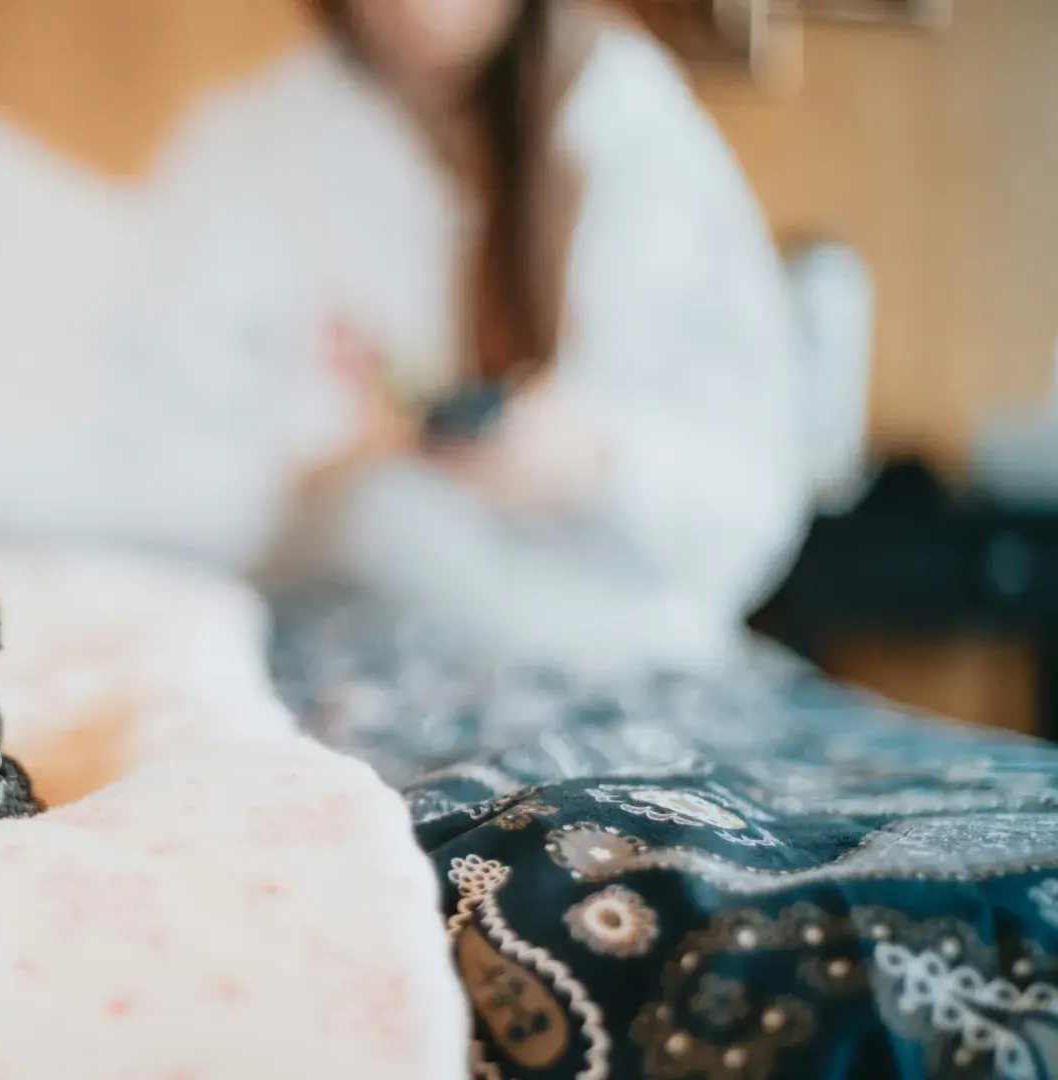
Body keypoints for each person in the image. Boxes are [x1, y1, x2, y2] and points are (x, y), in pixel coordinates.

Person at [121, 0, 812, 684]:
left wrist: (593, 459)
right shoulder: (252, 142)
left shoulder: (630, 126)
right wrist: (333, 453)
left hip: (619, 642)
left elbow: (745, 496)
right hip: (348, 627)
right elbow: (156, 458)